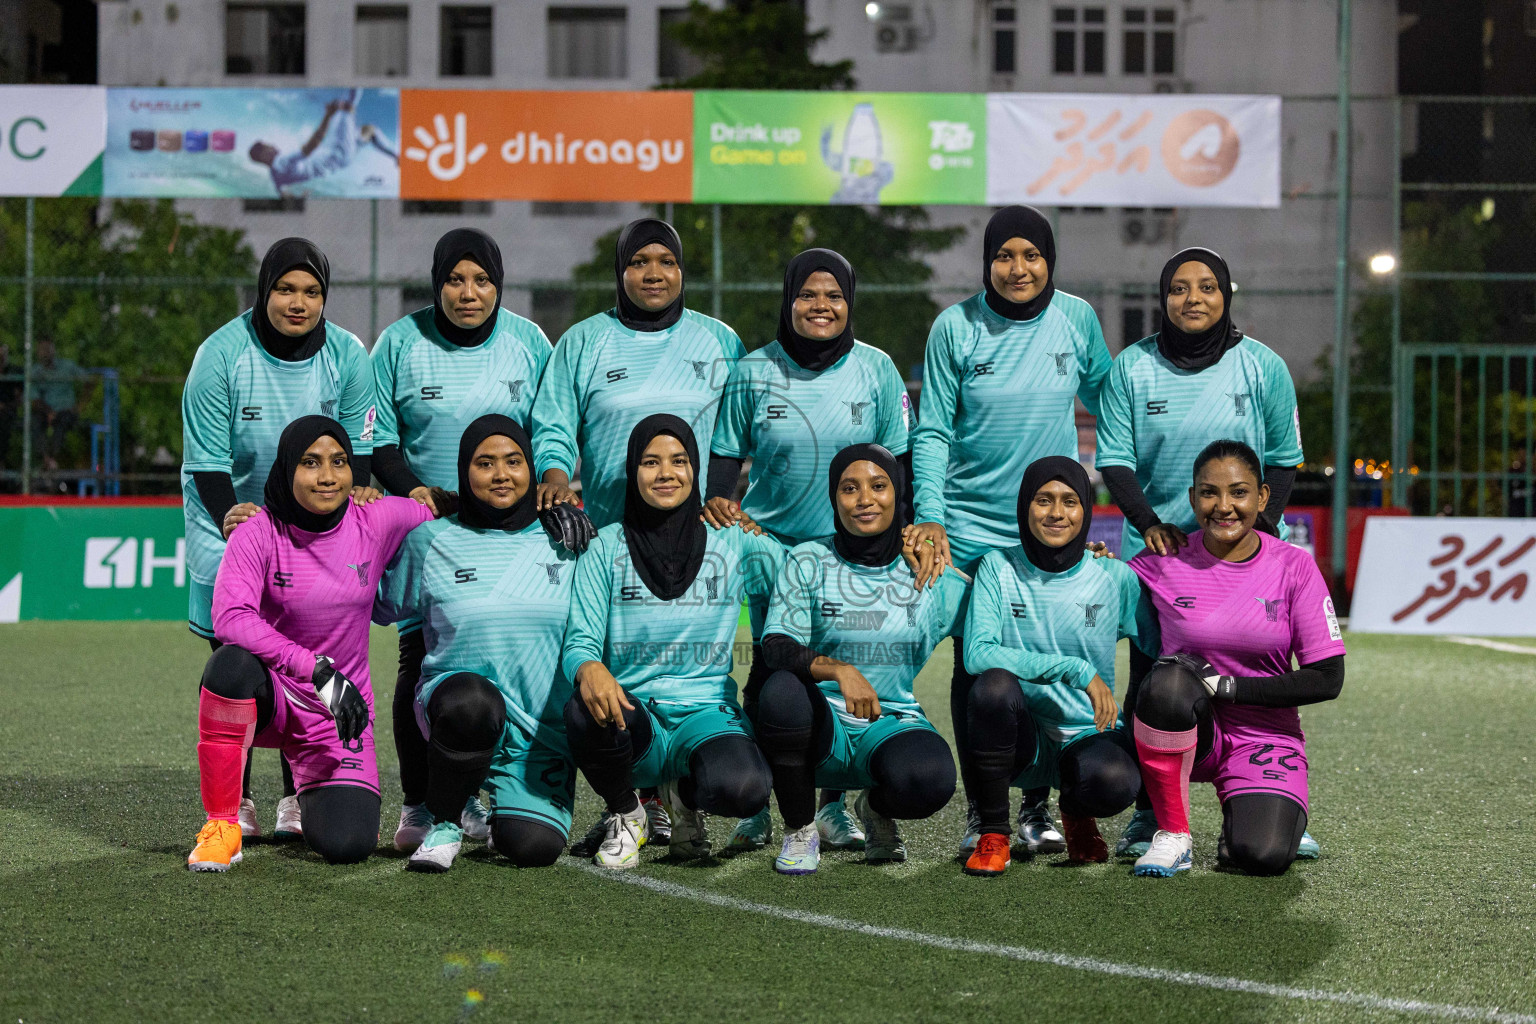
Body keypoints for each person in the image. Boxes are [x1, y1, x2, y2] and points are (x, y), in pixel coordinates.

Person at [368, 227, 592, 852]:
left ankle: (492, 792)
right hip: (432, 531)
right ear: (437, 282)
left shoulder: (527, 341)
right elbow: (380, 441)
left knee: (518, 654)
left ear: (498, 283)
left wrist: (551, 482)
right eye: (455, 281)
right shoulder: (399, 342)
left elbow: (550, 426)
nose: (469, 293)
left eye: (482, 280)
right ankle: (422, 804)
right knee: (421, 664)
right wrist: (420, 497)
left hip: (513, 529)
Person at [907, 205, 1113, 857]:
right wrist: (930, 516)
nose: (1018, 268)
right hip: (966, 532)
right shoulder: (955, 327)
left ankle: (1036, 806)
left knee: (1041, 662)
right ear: (987, 262)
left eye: (1031, 255)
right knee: (980, 667)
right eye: (1004, 256)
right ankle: (982, 809)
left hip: (1045, 533)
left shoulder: (1077, 319)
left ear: (1050, 260)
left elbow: (1114, 403)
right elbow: (933, 428)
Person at [533, 217, 746, 843]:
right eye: (639, 262)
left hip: (694, 538)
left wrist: (724, 500)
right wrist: (552, 475)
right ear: (620, 271)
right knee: (595, 669)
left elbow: (736, 433)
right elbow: (553, 426)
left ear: (683, 271)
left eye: (667, 261)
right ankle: (616, 796)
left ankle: (688, 782)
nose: (653, 273)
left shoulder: (719, 341)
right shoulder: (583, 341)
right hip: (606, 542)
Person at [1094, 247, 1309, 860]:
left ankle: (1273, 790)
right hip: (1166, 554)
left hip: (1246, 553)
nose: (1194, 299)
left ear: (1226, 296)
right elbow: (1115, 457)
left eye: (1207, 287)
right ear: (1163, 298)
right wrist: (1149, 522)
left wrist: (1261, 530)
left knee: (1257, 674)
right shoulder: (1131, 368)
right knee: (1154, 680)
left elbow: (1286, 458)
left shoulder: (1262, 366)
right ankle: (1148, 811)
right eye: (1180, 288)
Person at [707, 248, 911, 852]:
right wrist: (719, 505)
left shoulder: (877, 370)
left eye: (834, 295)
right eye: (807, 294)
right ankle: (761, 802)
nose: (821, 306)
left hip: (851, 558)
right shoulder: (752, 370)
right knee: (773, 673)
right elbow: (724, 458)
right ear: (788, 299)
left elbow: (898, 466)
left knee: (850, 672)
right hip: (772, 548)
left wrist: (909, 531)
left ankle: (833, 805)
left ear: (850, 302)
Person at [180, 237, 376, 842]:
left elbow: (357, 452)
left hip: (314, 528)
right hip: (233, 519)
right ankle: (234, 798)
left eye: (312, 291)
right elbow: (206, 461)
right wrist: (233, 521)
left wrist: (350, 508)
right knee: (236, 656)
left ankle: (300, 789)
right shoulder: (221, 355)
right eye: (285, 290)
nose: (298, 302)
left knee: (313, 650)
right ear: (265, 291)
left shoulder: (347, 355)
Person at [186, 417, 434, 871]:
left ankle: (307, 793)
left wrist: (543, 504)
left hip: (339, 715)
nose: (327, 476)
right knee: (228, 666)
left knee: (348, 845)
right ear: (286, 470)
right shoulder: (257, 530)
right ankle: (222, 824)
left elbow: (441, 508)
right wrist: (315, 669)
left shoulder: (376, 519)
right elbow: (229, 617)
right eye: (310, 463)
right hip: (278, 697)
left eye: (339, 462)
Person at [561, 416, 780, 868]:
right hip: (634, 718)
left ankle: (683, 801)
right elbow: (579, 642)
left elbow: (803, 580)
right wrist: (589, 667)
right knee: (582, 709)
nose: (666, 473)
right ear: (632, 471)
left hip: (704, 713)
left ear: (695, 469)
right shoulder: (606, 547)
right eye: (650, 462)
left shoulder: (733, 539)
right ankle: (628, 811)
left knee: (745, 788)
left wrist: (895, 546)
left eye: (679, 461)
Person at [1127, 440, 1345, 877]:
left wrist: (1230, 687)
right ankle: (1173, 833)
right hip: (1192, 729)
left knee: (1260, 856)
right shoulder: (1160, 562)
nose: (1223, 506)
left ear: (1262, 497)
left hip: (1265, 736)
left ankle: (1255, 815)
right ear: (1192, 498)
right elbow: (1086, 594)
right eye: (1209, 493)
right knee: (1167, 681)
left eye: (1238, 493)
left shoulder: (1294, 567)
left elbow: (1327, 678)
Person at [374, 416, 581, 872]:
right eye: (485, 463)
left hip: (538, 733)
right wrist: (364, 517)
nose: (501, 474)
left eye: (513, 461)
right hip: (456, 708)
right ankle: (445, 817)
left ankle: (501, 800)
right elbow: (373, 605)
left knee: (531, 848)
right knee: (473, 703)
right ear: (464, 472)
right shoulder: (429, 540)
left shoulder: (565, 540)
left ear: (531, 469)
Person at [756, 444, 962, 874]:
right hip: (820, 727)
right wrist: (839, 670)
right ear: (834, 498)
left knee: (931, 779)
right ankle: (801, 829)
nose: (865, 499)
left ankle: (874, 808)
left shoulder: (929, 569)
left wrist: (1082, 558)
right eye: (850, 488)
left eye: (878, 486)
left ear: (898, 493)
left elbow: (1000, 607)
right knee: (779, 691)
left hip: (889, 724)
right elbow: (776, 644)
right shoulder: (809, 558)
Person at [960, 457, 1153, 876]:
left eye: (1069, 501)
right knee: (991, 687)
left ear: (1085, 509)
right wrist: (1075, 669)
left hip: (1084, 734)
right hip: (1018, 736)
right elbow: (977, 653)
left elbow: (1152, 653)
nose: (1056, 513)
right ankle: (994, 833)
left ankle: (1076, 810)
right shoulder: (998, 567)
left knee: (1116, 781)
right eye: (1043, 500)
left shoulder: (1113, 576)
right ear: (1025, 507)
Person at [248, 89, 396, 197]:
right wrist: (327, 115)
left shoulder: (275, 176)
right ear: (264, 155)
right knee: (345, 105)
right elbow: (310, 146)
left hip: (340, 160)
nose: (273, 146)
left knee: (370, 130)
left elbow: (283, 195)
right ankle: (360, 72)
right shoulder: (282, 162)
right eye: (269, 146)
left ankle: (397, 157)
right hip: (336, 151)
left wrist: (300, 199)